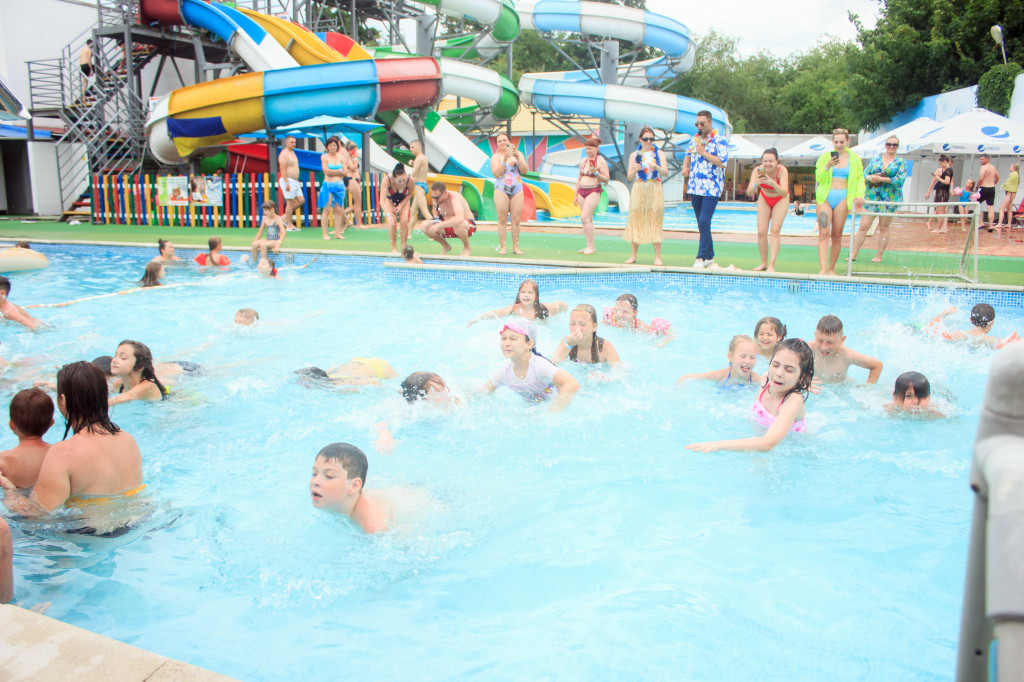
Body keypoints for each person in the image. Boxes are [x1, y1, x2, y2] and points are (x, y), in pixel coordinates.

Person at [0, 362, 144, 526]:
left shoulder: (63, 453)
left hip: (90, 535)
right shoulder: (127, 439)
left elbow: (36, 515)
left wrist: (9, 490)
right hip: (136, 524)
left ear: (62, 401)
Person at [686, 338, 814, 452]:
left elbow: (768, 443)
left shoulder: (793, 401)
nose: (779, 373)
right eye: (775, 365)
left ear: (802, 377)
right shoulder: (766, 380)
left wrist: (718, 445)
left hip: (793, 448)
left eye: (789, 370)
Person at [482, 319, 579, 411]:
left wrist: (551, 414)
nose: (506, 343)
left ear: (529, 344)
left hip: (566, 404)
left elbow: (572, 384)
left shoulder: (539, 366)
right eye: (503, 338)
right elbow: (483, 392)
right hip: (535, 408)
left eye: (513, 338)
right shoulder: (505, 374)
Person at [849, 135, 908, 263]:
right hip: (872, 197)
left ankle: (879, 256)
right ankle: (853, 254)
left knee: (884, 227)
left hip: (890, 199)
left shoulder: (901, 162)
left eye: (894, 145)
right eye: (889, 144)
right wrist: (870, 178)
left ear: (897, 147)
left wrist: (881, 179)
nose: (891, 147)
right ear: (885, 145)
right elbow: (864, 174)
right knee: (863, 226)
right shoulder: (875, 160)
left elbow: (900, 180)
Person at [682, 111, 729, 269]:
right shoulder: (694, 140)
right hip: (695, 186)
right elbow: (688, 154)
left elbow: (722, 162)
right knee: (701, 224)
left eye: (702, 123)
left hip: (711, 187)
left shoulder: (720, 141)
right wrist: (685, 168)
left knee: (704, 221)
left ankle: (701, 257)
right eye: (697, 123)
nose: (700, 126)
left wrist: (703, 153)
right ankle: (709, 256)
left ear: (710, 122)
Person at [814, 128, 865, 275]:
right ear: (832, 142)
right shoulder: (825, 157)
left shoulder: (854, 159)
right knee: (823, 233)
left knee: (837, 234)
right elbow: (819, 177)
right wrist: (827, 166)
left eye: (842, 142)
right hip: (825, 197)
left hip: (843, 197)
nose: (839, 145)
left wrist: (860, 195)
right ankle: (823, 269)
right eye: (836, 142)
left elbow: (859, 178)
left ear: (847, 142)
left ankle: (831, 269)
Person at [310, 443, 389, 534]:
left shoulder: (373, 527)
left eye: (329, 476)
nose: (315, 482)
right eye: (314, 474)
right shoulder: (339, 503)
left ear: (354, 486)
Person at [624, 125, 669, 266]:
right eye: (645, 139)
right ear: (640, 139)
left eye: (651, 139)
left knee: (655, 220)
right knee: (636, 220)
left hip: (654, 187)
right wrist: (635, 170)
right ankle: (633, 255)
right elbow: (629, 177)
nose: (648, 141)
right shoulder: (634, 155)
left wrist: (657, 167)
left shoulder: (659, 154)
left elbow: (665, 172)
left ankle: (657, 257)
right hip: (639, 188)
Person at [745, 148, 789, 272]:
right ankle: (764, 263)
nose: (767, 164)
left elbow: (784, 192)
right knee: (761, 231)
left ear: (777, 161)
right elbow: (749, 192)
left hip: (780, 198)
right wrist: (756, 183)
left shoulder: (782, 171)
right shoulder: (757, 171)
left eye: (771, 161)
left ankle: (771, 265)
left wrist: (772, 183)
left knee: (774, 231)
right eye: (765, 161)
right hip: (765, 197)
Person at [0, 388, 54, 489]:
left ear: (11, 425)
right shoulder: (58, 453)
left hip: (15, 496)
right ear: (51, 423)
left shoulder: (2, 460)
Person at [809, 314, 883, 384]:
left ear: (841, 340)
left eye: (830, 342)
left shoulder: (847, 355)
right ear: (815, 335)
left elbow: (877, 365)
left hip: (841, 387)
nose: (824, 347)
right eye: (820, 341)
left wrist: (867, 387)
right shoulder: (808, 350)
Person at [468, 279, 567, 325]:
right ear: (519, 295)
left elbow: (565, 309)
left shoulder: (543, 308)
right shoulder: (515, 309)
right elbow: (497, 314)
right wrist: (476, 319)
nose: (526, 295)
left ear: (536, 297)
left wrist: (558, 302)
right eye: (523, 292)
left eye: (530, 292)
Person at [491, 132, 528, 255]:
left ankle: (515, 247)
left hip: (517, 189)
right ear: (497, 144)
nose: (502, 143)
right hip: (501, 189)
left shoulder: (518, 154)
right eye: (499, 141)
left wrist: (517, 158)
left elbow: (525, 170)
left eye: (504, 140)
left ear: (509, 142)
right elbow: (497, 174)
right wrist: (504, 160)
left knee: (516, 219)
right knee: (502, 219)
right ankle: (503, 247)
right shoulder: (495, 157)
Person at [677, 335, 761, 388]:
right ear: (730, 357)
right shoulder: (720, 376)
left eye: (752, 357)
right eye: (743, 356)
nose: (748, 361)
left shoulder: (758, 381)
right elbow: (685, 378)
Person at [574, 135, 610, 255]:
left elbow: (606, 179)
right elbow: (579, 179)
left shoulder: (600, 161)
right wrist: (575, 195)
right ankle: (590, 245)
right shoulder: (584, 161)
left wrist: (596, 173)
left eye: (591, 148)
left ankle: (590, 246)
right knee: (588, 219)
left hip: (593, 190)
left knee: (584, 217)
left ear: (596, 148)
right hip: (582, 191)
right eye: (587, 148)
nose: (588, 150)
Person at [419, 181, 475, 256]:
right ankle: (445, 246)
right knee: (424, 225)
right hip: (448, 226)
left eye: (437, 198)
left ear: (445, 193)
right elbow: (434, 208)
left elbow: (460, 218)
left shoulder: (455, 197)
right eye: (433, 197)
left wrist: (439, 225)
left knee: (459, 224)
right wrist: (436, 219)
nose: (434, 200)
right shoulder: (436, 197)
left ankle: (467, 248)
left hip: (467, 227)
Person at [552, 304, 620, 366]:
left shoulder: (604, 348)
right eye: (572, 324)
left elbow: (619, 371)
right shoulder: (567, 342)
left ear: (594, 327)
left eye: (582, 324)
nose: (577, 328)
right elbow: (552, 366)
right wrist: (569, 345)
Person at [928, 303, 1021, 348]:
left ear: (970, 319)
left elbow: (932, 327)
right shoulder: (991, 340)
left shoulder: (958, 334)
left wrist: (946, 312)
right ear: (991, 322)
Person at [109, 340, 169, 404]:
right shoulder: (117, 385)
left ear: (139, 367)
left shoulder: (147, 387)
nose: (114, 360)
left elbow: (125, 397)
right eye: (115, 356)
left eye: (123, 358)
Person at [602, 293, 672, 339]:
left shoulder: (642, 328)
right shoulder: (612, 321)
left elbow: (670, 335)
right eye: (618, 311)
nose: (620, 315)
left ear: (635, 312)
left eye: (625, 311)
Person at [297, 358, 397, 388]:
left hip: (379, 367)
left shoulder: (342, 384)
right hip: (356, 362)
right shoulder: (327, 376)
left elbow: (375, 382)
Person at [318, 136, 347, 240]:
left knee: (338, 210)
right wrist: (339, 171)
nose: (333, 147)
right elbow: (326, 171)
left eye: (334, 145)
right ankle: (325, 234)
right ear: (327, 147)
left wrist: (335, 172)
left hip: (339, 184)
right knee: (326, 209)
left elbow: (345, 171)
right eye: (330, 145)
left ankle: (337, 233)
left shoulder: (341, 157)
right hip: (328, 184)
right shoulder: (324, 157)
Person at [380, 163, 413, 255]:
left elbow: (410, 194)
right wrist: (388, 215)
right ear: (394, 178)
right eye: (399, 181)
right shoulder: (386, 180)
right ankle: (394, 248)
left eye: (404, 180)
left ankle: (403, 248)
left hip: (404, 199)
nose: (402, 183)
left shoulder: (410, 180)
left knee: (404, 221)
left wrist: (401, 205)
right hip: (389, 199)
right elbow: (382, 200)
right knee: (392, 221)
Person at [277, 135, 305, 231]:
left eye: (295, 142)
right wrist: (286, 182)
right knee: (290, 202)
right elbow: (282, 168)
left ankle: (284, 217)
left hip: (294, 181)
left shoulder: (293, 152)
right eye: (292, 142)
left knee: (301, 200)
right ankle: (289, 225)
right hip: (288, 180)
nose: (294, 144)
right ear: (286, 143)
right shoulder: (284, 154)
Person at [251, 200, 286, 264]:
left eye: (265, 211)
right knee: (254, 244)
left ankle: (263, 263)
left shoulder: (278, 219)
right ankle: (254, 263)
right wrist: (255, 241)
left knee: (263, 245)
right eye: (263, 211)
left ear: (272, 209)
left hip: (275, 241)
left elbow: (283, 233)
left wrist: (278, 244)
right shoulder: (265, 218)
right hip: (268, 240)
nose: (264, 212)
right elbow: (260, 232)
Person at [925, 154, 954, 234]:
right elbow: (933, 182)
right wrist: (928, 192)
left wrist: (937, 178)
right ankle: (938, 226)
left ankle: (938, 228)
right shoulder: (942, 170)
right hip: (940, 190)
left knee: (941, 210)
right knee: (939, 210)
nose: (940, 165)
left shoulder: (948, 170)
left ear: (945, 162)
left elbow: (948, 182)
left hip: (942, 191)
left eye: (940, 163)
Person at [408, 139, 432, 227]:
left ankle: (437, 230)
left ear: (419, 147)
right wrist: (413, 163)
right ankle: (408, 233)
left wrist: (403, 181)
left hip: (419, 186)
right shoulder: (423, 157)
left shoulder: (419, 159)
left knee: (424, 211)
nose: (410, 149)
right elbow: (420, 169)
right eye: (410, 147)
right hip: (423, 186)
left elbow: (413, 174)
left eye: (413, 147)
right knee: (413, 211)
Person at [341, 140, 364, 229]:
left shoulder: (351, 157)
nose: (356, 152)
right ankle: (358, 224)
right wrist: (355, 159)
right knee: (357, 203)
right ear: (350, 150)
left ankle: (343, 213)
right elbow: (353, 168)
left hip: (355, 179)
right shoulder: (348, 157)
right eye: (354, 150)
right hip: (351, 179)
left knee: (358, 203)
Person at [994, 163, 1020, 236]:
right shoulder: (1017, 174)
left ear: (1014, 168)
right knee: (1009, 209)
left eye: (1010, 167)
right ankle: (1009, 223)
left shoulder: (1013, 174)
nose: (1009, 168)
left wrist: (1004, 184)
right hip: (1012, 193)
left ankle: (999, 223)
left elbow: (1008, 183)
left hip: (1010, 193)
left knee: (1001, 208)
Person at [975, 154, 1000, 230]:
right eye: (980, 159)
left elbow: (981, 178)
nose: (980, 161)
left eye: (982, 159)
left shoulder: (983, 167)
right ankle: (991, 225)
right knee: (990, 207)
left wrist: (976, 186)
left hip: (984, 187)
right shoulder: (993, 167)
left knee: (976, 204)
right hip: (991, 188)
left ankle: (981, 223)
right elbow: (997, 177)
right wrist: (993, 183)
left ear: (987, 159)